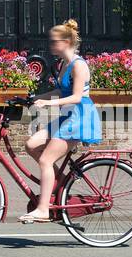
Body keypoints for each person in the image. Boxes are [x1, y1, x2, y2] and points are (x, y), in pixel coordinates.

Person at [19, 19, 101, 224]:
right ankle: (61, 183)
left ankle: (43, 209)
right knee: (31, 145)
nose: (51, 45)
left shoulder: (79, 65)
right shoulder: (64, 64)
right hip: (68, 116)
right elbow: (59, 91)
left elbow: (75, 97)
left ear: (66, 42)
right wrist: (38, 97)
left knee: (46, 160)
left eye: (55, 41)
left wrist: (47, 105)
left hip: (79, 117)